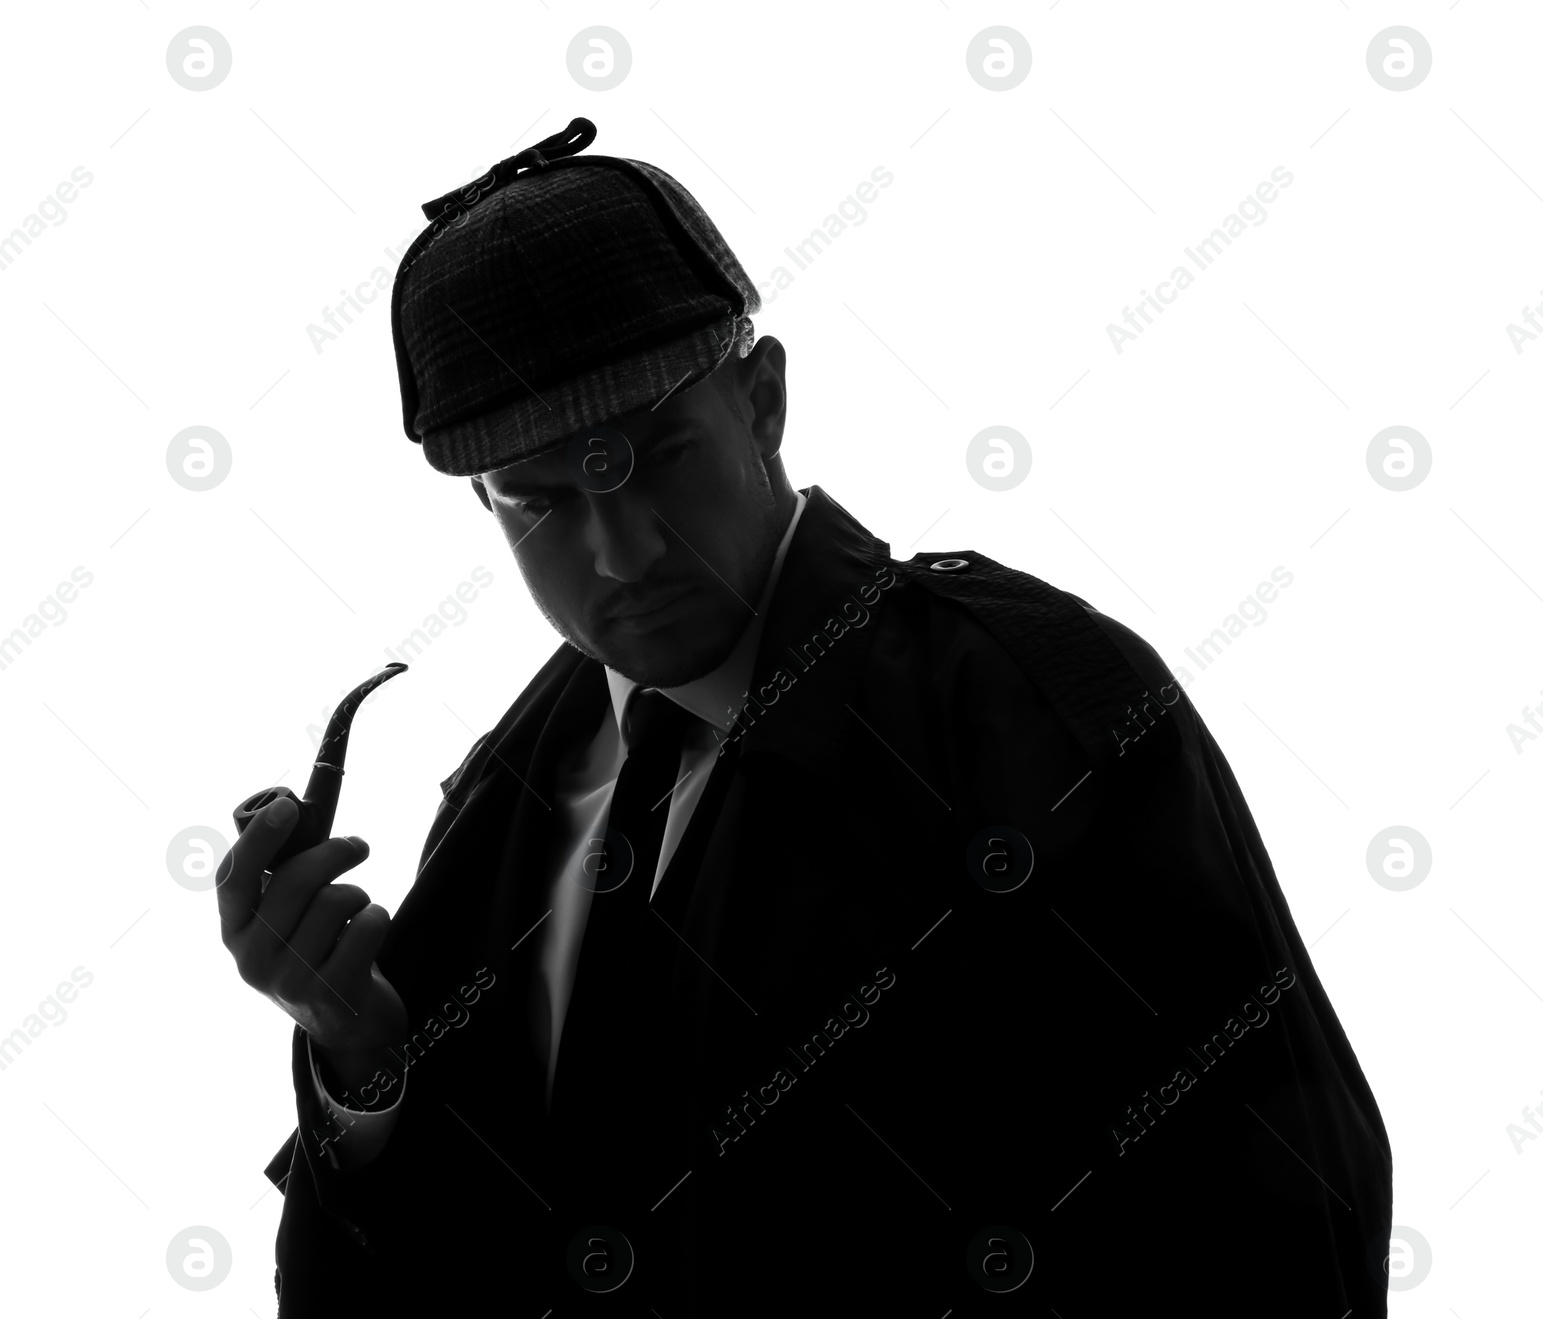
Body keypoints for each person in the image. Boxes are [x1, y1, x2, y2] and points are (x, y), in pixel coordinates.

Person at [215, 118, 1393, 1315]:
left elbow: (1281, 1204)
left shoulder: (1020, 700)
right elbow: (457, 1264)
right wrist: (361, 1061)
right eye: (542, 499)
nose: (621, 551)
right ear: (484, 502)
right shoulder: (508, 797)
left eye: (656, 454)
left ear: (762, 397)